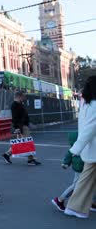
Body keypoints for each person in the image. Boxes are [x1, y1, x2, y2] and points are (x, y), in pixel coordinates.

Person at [63, 75, 96, 219]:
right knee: (85, 179)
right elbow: (89, 130)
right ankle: (74, 206)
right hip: (92, 147)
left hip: (90, 148)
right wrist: (74, 150)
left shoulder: (85, 104)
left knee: (85, 178)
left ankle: (75, 206)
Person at [51, 132, 96, 212]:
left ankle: (93, 203)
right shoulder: (77, 149)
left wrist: (66, 163)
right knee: (76, 186)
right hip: (81, 169)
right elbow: (68, 156)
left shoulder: (80, 148)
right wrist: (65, 163)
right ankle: (60, 199)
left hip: (85, 169)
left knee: (90, 185)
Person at [1, 91, 41, 165]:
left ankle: (7, 154)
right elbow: (15, 118)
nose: (24, 98)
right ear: (19, 96)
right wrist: (17, 127)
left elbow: (23, 115)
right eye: (23, 96)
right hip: (21, 126)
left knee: (21, 143)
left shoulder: (19, 104)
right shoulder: (15, 105)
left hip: (22, 125)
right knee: (28, 142)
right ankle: (30, 160)